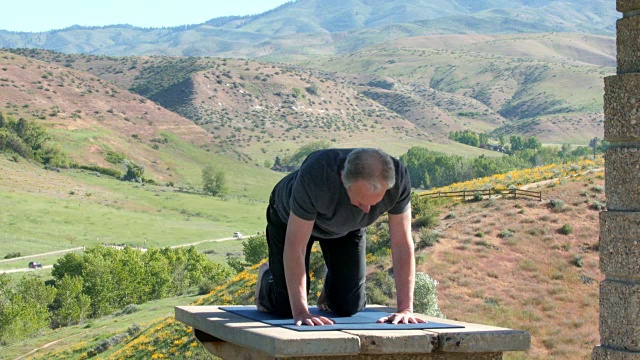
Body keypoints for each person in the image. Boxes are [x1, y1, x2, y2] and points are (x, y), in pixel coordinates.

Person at [254, 148, 426, 326]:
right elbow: (295, 247)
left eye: (373, 203)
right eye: (360, 201)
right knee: (286, 308)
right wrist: (301, 312)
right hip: (289, 219)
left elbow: (402, 244)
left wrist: (405, 309)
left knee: (349, 306)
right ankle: (268, 277)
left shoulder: (398, 179)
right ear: (343, 178)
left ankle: (332, 286)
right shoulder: (316, 176)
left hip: (347, 227)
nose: (367, 210)